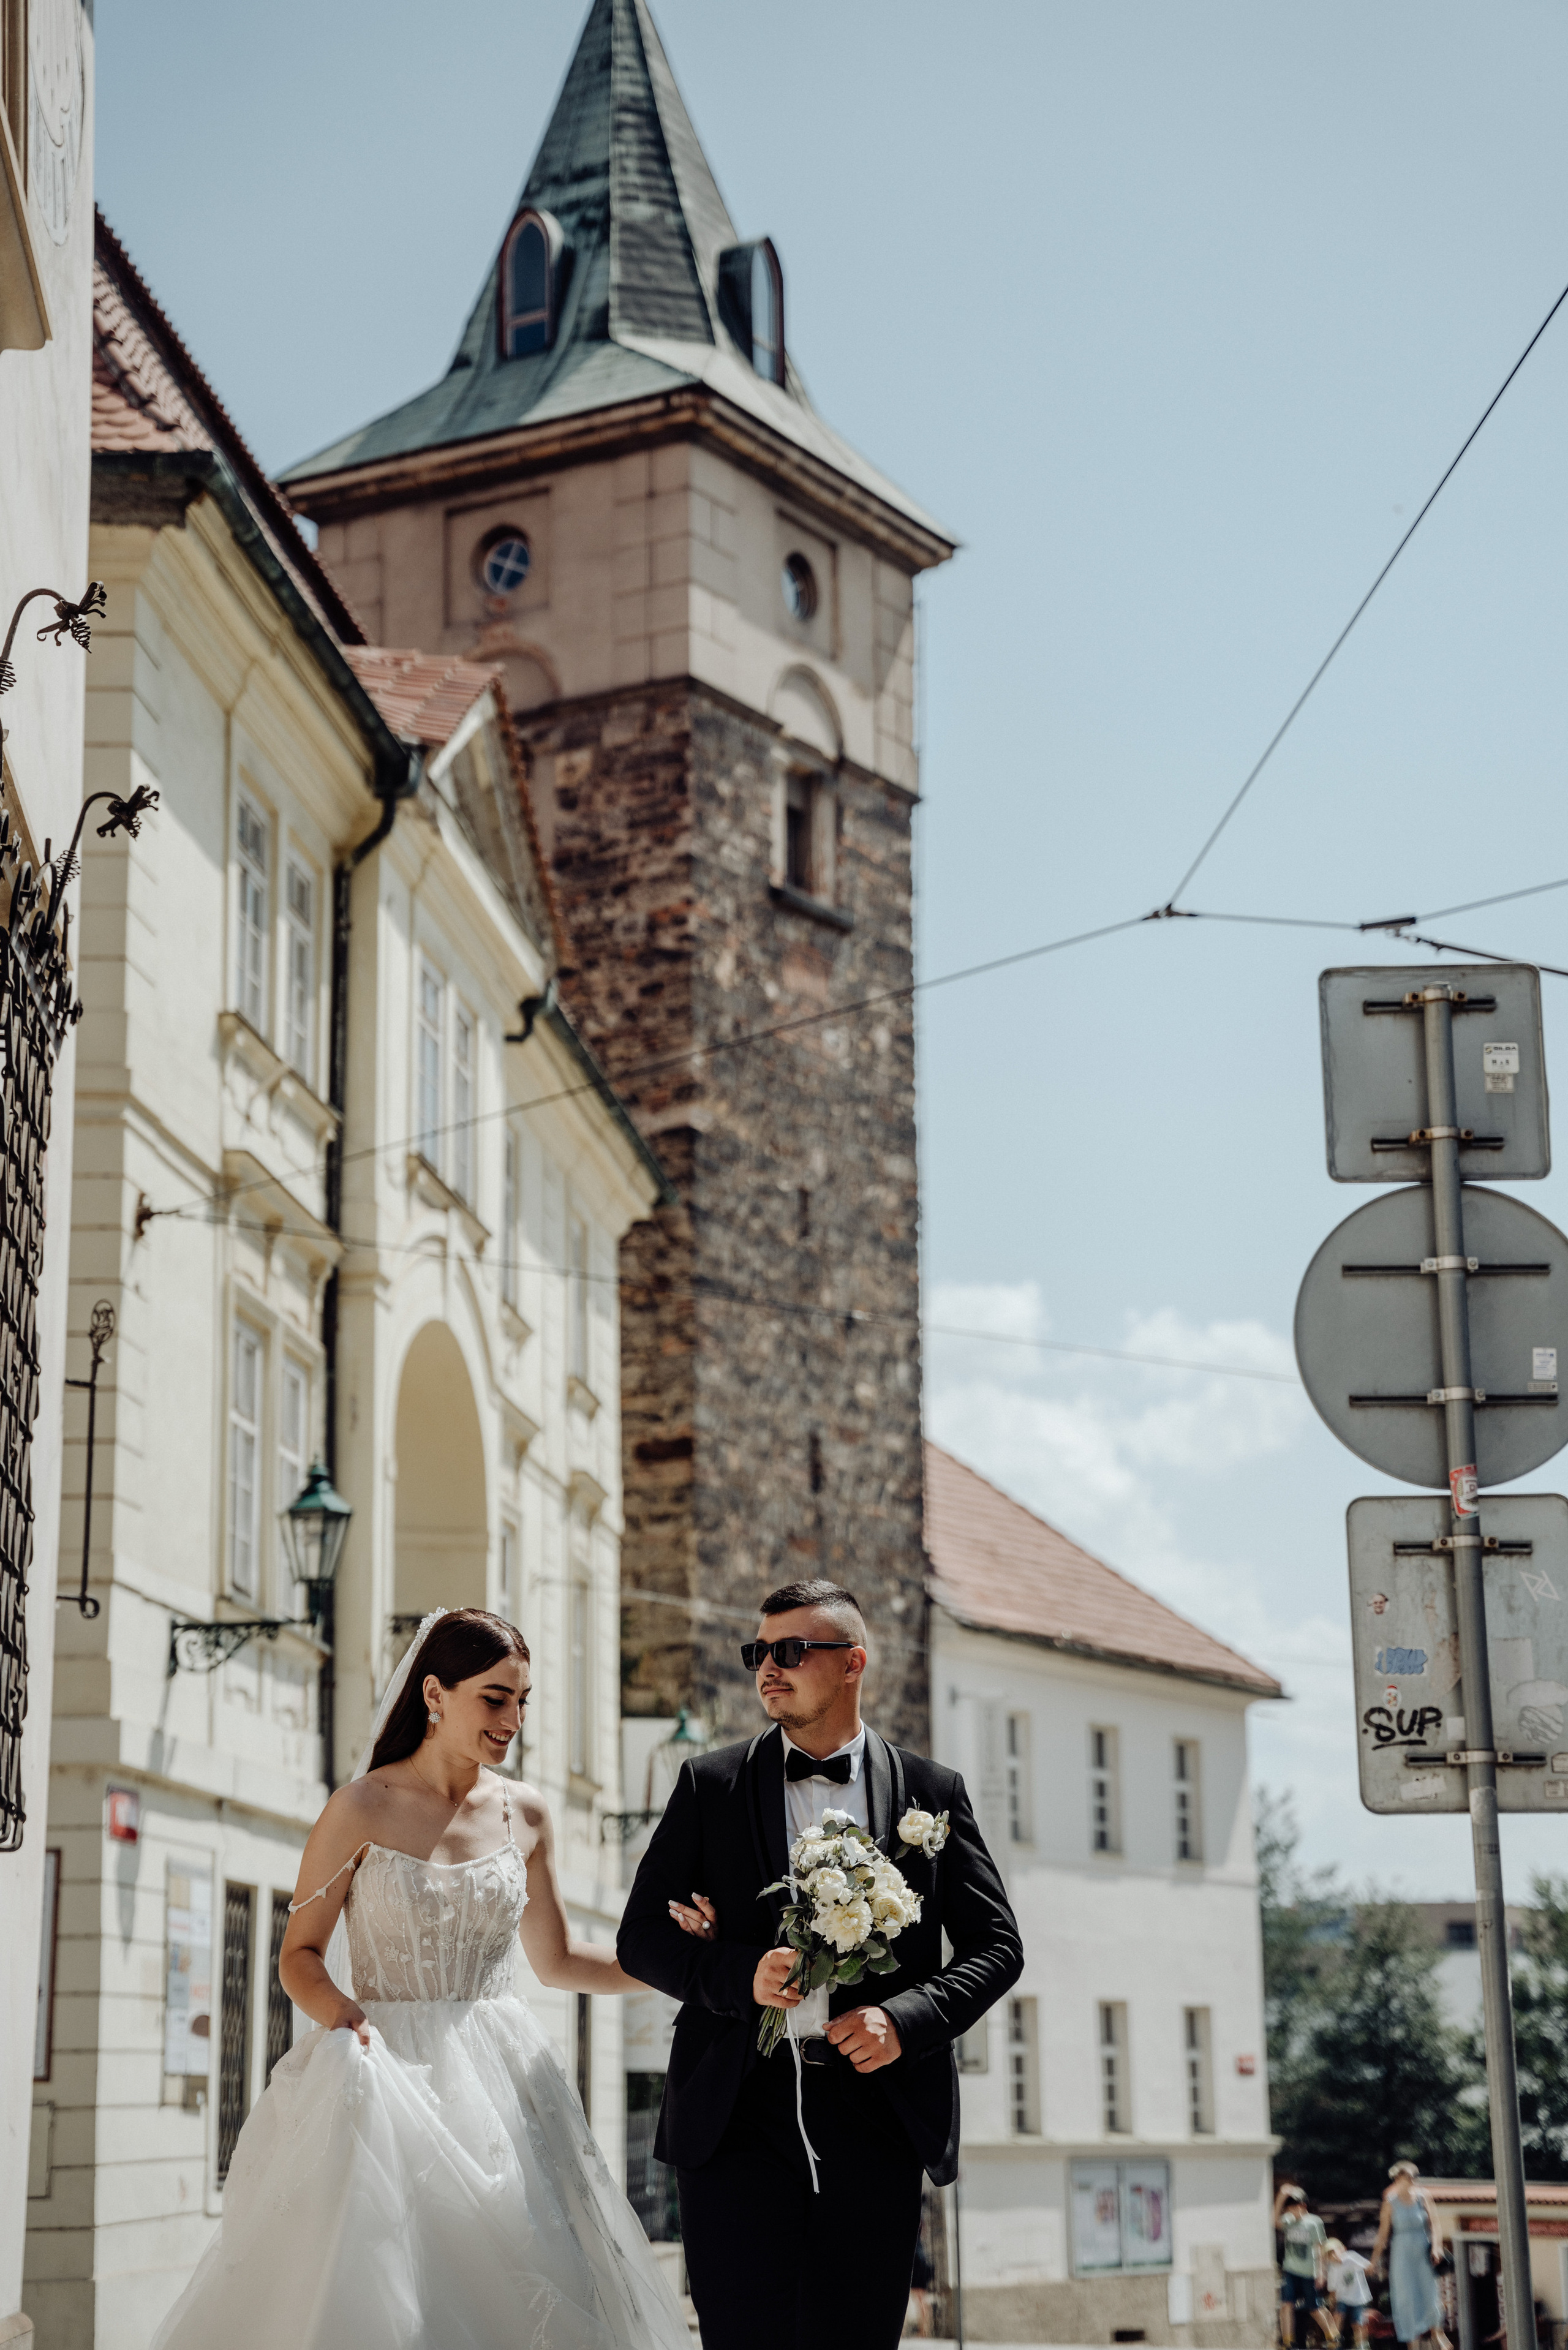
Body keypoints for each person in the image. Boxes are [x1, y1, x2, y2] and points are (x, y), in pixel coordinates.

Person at [148, 1608, 715, 2350]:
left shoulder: (527, 1814)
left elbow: (559, 1961)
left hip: (506, 2085)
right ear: (434, 1694)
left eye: (522, 1701)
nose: (512, 1719)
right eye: (494, 1697)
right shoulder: (359, 1809)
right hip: (380, 2070)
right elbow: (299, 1956)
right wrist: (345, 2015)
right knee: (387, 2289)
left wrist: (686, 1965)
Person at [618, 1578, 1025, 2350]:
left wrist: (905, 2020)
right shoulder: (709, 1786)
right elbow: (640, 1937)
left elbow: (997, 1946)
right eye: (759, 1652)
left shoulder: (931, 1796)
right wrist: (738, 1973)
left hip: (874, 2116)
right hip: (735, 2113)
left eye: (792, 1651)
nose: (769, 1668)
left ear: (852, 1663)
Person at [1373, 2161, 1450, 2350]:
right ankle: (1412, 2344)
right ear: (1398, 2178)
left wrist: (1437, 2247)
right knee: (1405, 2297)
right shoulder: (1390, 2201)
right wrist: (1373, 2261)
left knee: (1430, 2292)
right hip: (1401, 2253)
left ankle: (1437, 2333)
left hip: (1422, 2250)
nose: (1413, 2180)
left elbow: (1435, 2224)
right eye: (1409, 2176)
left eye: (1414, 2176)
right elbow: (1383, 2234)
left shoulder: (1424, 2196)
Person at [1275, 2184, 1327, 2348]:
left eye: (1293, 2208)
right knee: (1286, 2305)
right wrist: (1281, 2197)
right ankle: (1288, 2341)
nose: (1290, 2212)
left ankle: (1333, 2335)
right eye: (1288, 2209)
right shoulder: (1288, 2221)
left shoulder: (1314, 2223)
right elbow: (1274, 2220)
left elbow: (1320, 2248)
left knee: (1314, 2308)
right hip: (1291, 2270)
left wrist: (1321, 2272)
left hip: (1308, 2272)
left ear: (1303, 2206)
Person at [1327, 2237, 1375, 2350]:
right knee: (1338, 2316)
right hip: (1342, 2297)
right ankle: (1335, 2342)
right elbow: (1332, 2289)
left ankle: (1361, 2345)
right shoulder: (1332, 2269)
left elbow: (1368, 2266)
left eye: (1334, 2251)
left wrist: (1366, 2271)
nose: (1333, 2256)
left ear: (1343, 2249)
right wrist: (1332, 2304)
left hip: (1357, 2297)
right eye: (1330, 2254)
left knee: (1357, 2323)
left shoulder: (1351, 2257)